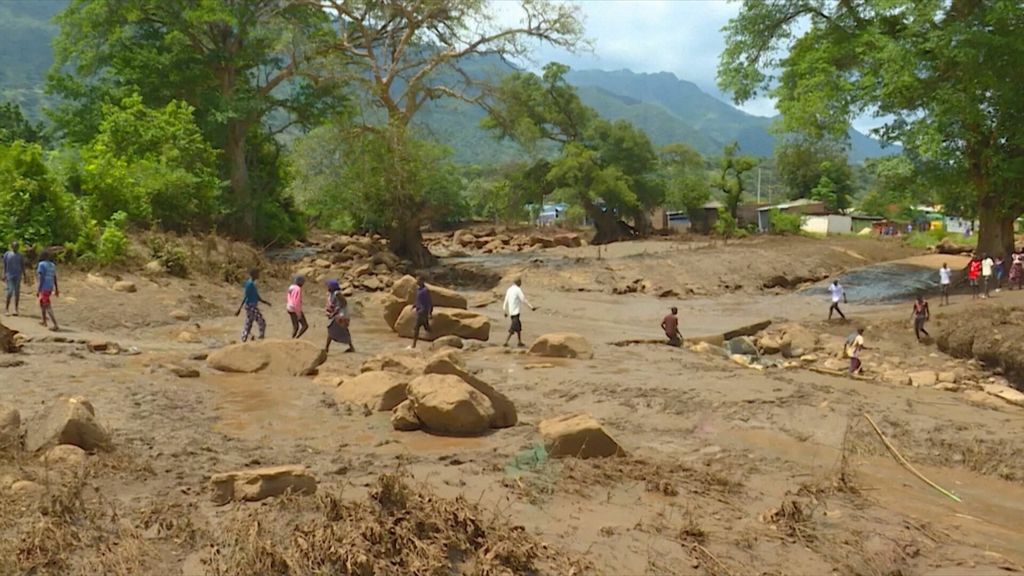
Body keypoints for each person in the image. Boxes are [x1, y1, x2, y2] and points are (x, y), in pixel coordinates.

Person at [235, 268, 270, 342]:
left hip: (250, 306)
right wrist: (239, 308)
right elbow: (246, 296)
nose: (258, 275)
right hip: (251, 306)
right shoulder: (250, 284)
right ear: (254, 274)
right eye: (257, 273)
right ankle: (261, 338)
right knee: (262, 322)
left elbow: (256, 296)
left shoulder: (251, 284)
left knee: (248, 323)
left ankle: (243, 339)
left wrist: (264, 302)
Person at [502, 277, 536, 347]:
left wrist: (505, 311)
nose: (521, 284)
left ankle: (519, 342)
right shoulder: (518, 290)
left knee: (518, 328)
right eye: (520, 282)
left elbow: (505, 301)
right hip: (515, 312)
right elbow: (523, 299)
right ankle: (506, 342)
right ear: (518, 282)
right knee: (513, 328)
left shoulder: (509, 289)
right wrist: (531, 307)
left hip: (511, 312)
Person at [323, 279, 354, 354]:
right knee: (337, 330)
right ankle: (327, 348)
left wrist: (335, 312)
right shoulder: (331, 294)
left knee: (334, 329)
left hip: (341, 315)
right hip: (337, 315)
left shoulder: (337, 293)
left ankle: (326, 348)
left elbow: (343, 303)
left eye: (329, 286)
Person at [36, 250, 59, 331]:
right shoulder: (52, 265)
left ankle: (55, 324)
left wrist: (38, 289)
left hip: (44, 287)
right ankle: (44, 320)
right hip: (50, 286)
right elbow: (54, 277)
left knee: (47, 305)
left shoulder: (41, 264)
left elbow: (41, 277)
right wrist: (56, 289)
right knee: (42, 303)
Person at [3, 241, 25, 316]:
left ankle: (16, 309)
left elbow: (22, 265)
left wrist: (25, 276)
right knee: (10, 291)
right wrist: (4, 274)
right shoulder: (7, 254)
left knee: (17, 292)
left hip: (18, 275)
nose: (16, 248)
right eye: (14, 246)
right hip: (9, 275)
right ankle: (6, 309)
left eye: (17, 246)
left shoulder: (20, 255)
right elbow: (5, 265)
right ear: (12, 246)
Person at [410, 276, 432, 349]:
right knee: (427, 328)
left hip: (423, 311)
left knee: (416, 328)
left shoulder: (425, 290)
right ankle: (436, 340)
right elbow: (418, 300)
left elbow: (429, 302)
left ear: (422, 281)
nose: (416, 281)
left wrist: (430, 312)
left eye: (418, 280)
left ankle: (413, 345)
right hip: (419, 310)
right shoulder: (419, 289)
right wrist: (414, 306)